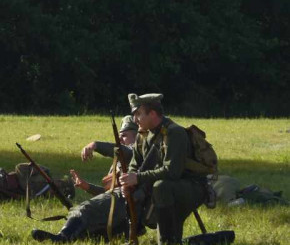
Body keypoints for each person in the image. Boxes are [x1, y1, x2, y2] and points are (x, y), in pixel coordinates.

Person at [31, 115, 139, 242]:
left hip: (126, 207)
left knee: (84, 209)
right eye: (120, 135)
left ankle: (62, 238)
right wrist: (86, 186)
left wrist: (95, 145)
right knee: (86, 226)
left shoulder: (136, 153)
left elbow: (124, 151)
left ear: (137, 137)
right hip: (119, 206)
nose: (120, 138)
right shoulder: (119, 160)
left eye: (125, 135)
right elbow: (109, 193)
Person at [121, 93, 210, 245]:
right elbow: (135, 164)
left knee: (161, 186)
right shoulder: (142, 135)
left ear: (153, 114)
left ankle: (169, 239)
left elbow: (172, 172)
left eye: (139, 114)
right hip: (163, 187)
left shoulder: (174, 133)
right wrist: (129, 180)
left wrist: (138, 178)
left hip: (190, 187)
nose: (135, 120)